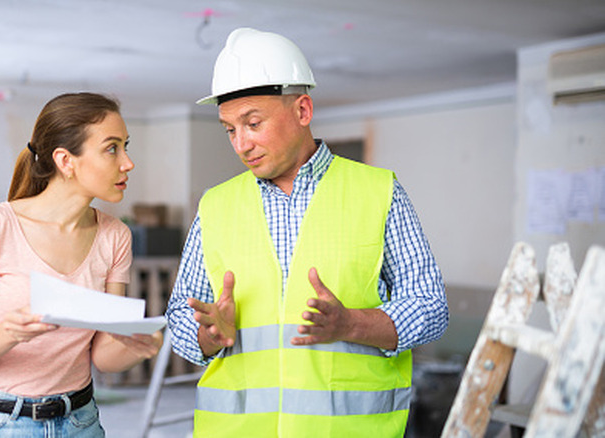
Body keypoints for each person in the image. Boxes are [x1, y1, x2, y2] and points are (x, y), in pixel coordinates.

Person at [165, 28, 448, 437]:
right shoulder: (215, 206)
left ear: (302, 111)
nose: (241, 144)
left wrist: (351, 324)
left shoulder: (378, 192)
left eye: (253, 123)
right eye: (230, 129)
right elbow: (179, 321)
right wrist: (208, 336)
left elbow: (431, 308)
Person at [0, 92, 163, 437]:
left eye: (126, 146)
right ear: (66, 160)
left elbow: (103, 355)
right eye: (112, 148)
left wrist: (138, 346)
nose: (127, 162)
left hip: (80, 421)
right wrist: (9, 333)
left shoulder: (115, 236)